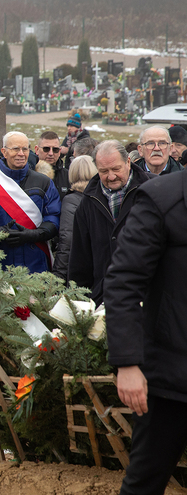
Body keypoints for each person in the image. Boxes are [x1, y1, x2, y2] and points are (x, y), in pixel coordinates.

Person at [104, 170, 187, 495]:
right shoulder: (161, 199)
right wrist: (127, 364)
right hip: (171, 378)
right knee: (145, 483)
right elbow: (123, 283)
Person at [68, 140, 149, 303]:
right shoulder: (87, 203)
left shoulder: (152, 192)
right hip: (102, 298)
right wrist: (78, 302)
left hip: (146, 297)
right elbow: (80, 259)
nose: (111, 176)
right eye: (103, 171)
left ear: (128, 162)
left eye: (116, 169)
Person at [0, 131, 61, 273]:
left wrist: (33, 235)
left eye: (25, 149)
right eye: (16, 149)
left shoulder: (43, 182)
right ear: (4, 152)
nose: (21, 154)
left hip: (36, 261)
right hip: (0, 263)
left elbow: (54, 217)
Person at [52, 155, 97, 281]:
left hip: (79, 268)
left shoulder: (71, 200)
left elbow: (67, 238)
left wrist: (57, 276)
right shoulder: (101, 195)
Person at [35, 131, 70, 198]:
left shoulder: (67, 176)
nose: (51, 153)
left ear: (59, 152)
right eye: (46, 149)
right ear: (37, 150)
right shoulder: (29, 173)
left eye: (55, 149)